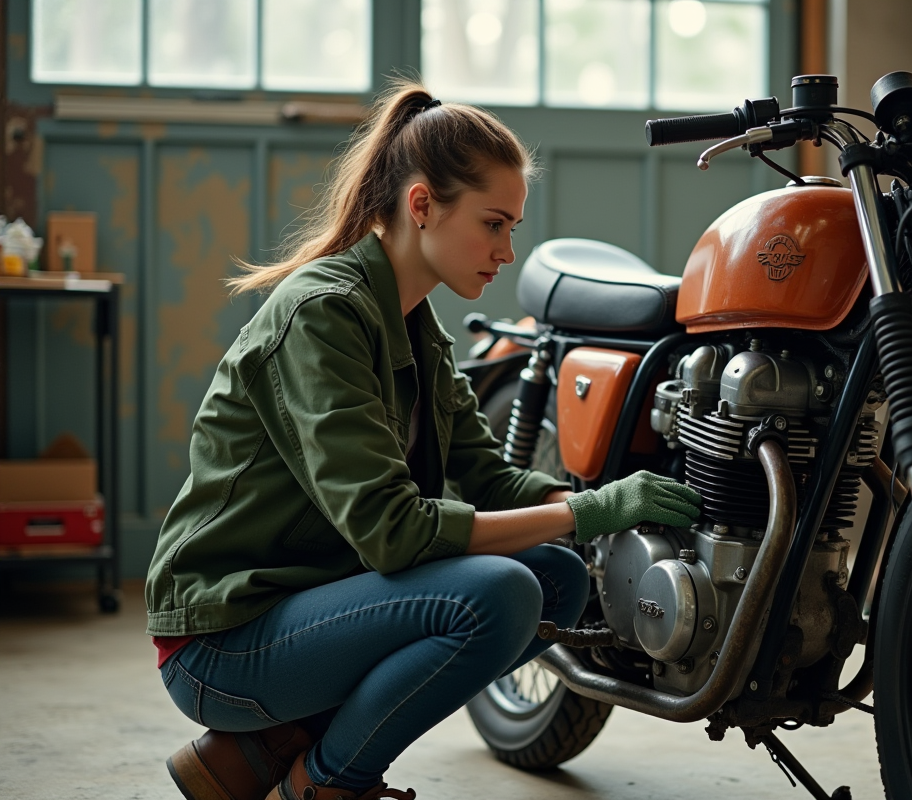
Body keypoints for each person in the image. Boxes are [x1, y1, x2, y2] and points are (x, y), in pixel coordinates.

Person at [144, 79, 702, 800]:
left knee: (556, 580)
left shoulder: (416, 327)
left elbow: (490, 479)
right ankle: (325, 785)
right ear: (421, 205)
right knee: (497, 592)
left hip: (307, 607)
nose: (507, 250)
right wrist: (582, 514)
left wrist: (606, 508)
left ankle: (269, 748)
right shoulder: (321, 315)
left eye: (514, 229)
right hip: (222, 637)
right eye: (494, 224)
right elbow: (392, 534)